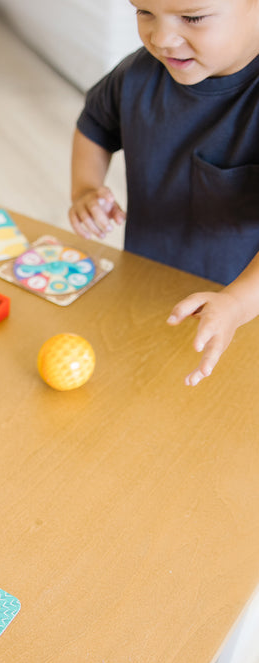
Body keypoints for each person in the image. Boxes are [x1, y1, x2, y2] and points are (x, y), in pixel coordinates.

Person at [68, 0, 259, 385]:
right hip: (145, 285)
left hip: (244, 313)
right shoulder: (139, 73)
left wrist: (238, 303)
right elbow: (93, 126)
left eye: (192, 17)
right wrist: (85, 189)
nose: (162, 39)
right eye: (144, 12)